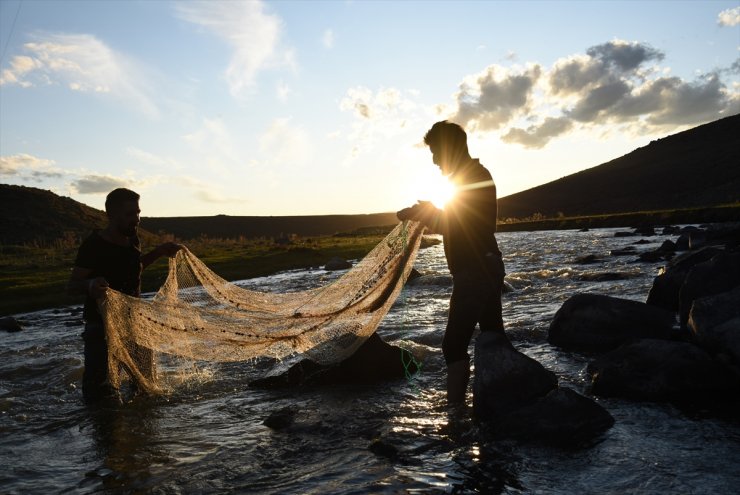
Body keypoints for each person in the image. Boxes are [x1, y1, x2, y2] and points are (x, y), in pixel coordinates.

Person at [397, 120, 511, 404]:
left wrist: (428, 212)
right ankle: (499, 402)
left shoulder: (473, 176)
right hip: (484, 267)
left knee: (453, 345)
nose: (434, 160)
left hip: (477, 270)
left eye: (436, 152)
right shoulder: (466, 176)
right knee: (492, 339)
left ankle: (455, 415)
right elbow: (457, 224)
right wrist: (427, 213)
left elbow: (476, 225)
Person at [67, 188, 182, 403]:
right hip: (101, 330)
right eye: (130, 214)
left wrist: (158, 252)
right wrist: (90, 284)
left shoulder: (133, 239)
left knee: (147, 391)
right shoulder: (94, 246)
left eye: (138, 213)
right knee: (102, 397)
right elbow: (72, 285)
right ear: (112, 215)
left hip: (134, 324)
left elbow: (134, 268)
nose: (136, 220)